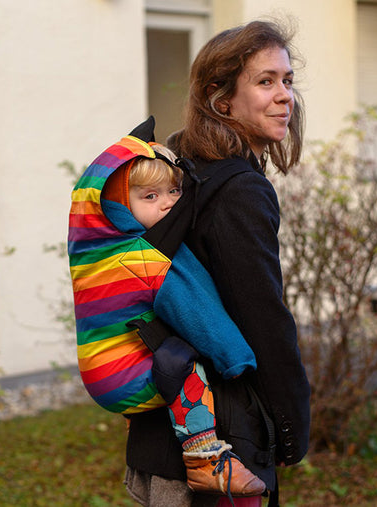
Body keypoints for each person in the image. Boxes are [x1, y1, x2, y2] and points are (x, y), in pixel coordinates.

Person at [123, 20, 312, 507]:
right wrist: (292, 426)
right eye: (265, 81)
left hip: (168, 429)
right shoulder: (239, 189)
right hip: (223, 444)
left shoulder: (181, 168)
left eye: (287, 81)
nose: (284, 96)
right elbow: (262, 316)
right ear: (220, 98)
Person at [68, 118, 266, 498]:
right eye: (150, 196)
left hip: (98, 365)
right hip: (123, 377)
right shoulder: (143, 261)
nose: (168, 203)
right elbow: (198, 314)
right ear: (115, 203)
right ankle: (205, 460)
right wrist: (237, 359)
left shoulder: (90, 248)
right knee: (183, 364)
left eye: (174, 191)